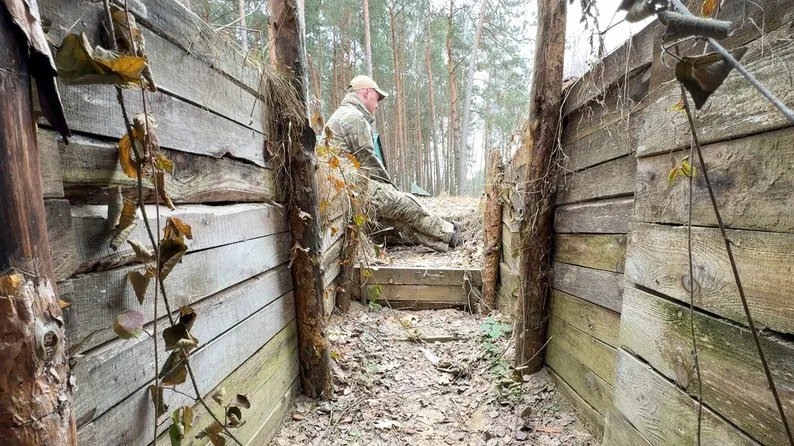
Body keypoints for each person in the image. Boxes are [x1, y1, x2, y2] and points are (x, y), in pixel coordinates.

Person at [324, 75, 462, 252]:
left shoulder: (342, 114)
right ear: (366, 92)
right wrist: (391, 189)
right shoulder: (353, 117)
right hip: (352, 188)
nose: (378, 103)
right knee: (406, 204)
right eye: (377, 97)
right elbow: (368, 161)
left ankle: (446, 240)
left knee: (398, 223)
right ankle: (450, 232)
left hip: (344, 192)